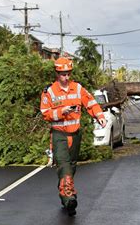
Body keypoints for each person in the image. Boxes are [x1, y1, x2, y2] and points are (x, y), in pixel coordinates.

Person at [40, 57, 107, 216]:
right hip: (59, 134)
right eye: (63, 74)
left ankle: (64, 189)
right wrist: (61, 112)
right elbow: (45, 113)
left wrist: (100, 115)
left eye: (68, 74)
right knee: (64, 165)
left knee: (72, 165)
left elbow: (90, 103)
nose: (66, 77)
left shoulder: (77, 88)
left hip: (75, 134)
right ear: (57, 74)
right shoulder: (49, 91)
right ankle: (69, 199)